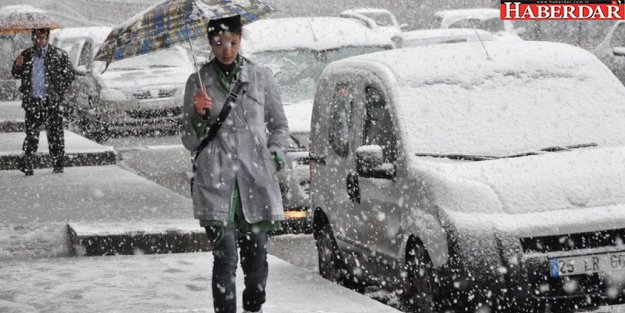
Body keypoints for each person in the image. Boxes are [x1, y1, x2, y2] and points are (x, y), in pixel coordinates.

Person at [180, 15, 288, 313]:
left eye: (232, 42)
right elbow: (189, 141)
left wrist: (276, 151)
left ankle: (254, 307)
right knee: (225, 260)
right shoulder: (198, 82)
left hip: (256, 180)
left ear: (240, 39)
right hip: (217, 184)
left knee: (256, 266)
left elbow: (279, 125)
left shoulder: (260, 76)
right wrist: (198, 116)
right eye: (218, 43)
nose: (226, 49)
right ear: (210, 43)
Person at [12, 27, 75, 176]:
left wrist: (58, 91)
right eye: (35, 37)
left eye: (41, 37)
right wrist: (18, 64)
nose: (38, 40)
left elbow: (69, 75)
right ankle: (27, 165)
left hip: (51, 101)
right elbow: (15, 74)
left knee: (55, 134)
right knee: (31, 135)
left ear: (47, 37)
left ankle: (58, 165)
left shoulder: (58, 54)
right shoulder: (26, 55)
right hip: (32, 101)